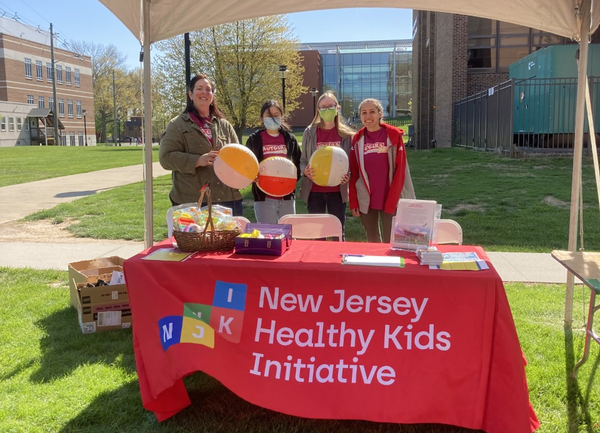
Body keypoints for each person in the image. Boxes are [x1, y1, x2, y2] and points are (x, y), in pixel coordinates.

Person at [159, 73, 243, 216]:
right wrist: (197, 160)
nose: (204, 92)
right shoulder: (177, 125)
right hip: (192, 202)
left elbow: (239, 157)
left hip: (228, 200)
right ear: (190, 94)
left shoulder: (225, 125)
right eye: (199, 88)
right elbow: (166, 158)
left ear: (212, 96)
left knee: (229, 239)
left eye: (208, 89)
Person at [349, 98, 415, 243]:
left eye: (372, 112)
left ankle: (390, 266)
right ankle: (375, 264)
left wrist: (393, 201)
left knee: (391, 240)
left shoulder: (393, 136)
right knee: (372, 240)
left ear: (380, 113)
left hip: (391, 196)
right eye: (364, 113)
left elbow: (400, 171)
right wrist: (354, 201)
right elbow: (354, 173)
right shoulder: (357, 139)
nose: (368, 116)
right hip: (366, 197)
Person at [300, 92, 354, 238]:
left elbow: (351, 162)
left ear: (338, 108)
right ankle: (318, 260)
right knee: (317, 233)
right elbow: (303, 160)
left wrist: (348, 175)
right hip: (314, 190)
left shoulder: (346, 135)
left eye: (331, 106)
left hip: (337, 190)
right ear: (318, 110)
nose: (327, 110)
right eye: (323, 107)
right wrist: (304, 171)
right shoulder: (310, 132)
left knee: (337, 231)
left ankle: (337, 259)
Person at [245, 100, 301, 223]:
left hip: (286, 197)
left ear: (281, 117)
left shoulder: (290, 139)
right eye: (269, 115)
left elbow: (298, 164)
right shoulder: (254, 140)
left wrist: (291, 180)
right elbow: (247, 165)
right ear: (262, 119)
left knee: (289, 234)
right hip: (264, 198)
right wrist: (251, 176)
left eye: (276, 115)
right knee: (267, 235)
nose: (273, 118)